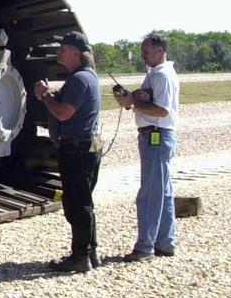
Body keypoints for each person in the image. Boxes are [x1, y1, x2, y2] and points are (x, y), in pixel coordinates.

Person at [33, 31, 102, 273]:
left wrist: (44, 96)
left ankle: (80, 255)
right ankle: (90, 252)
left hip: (76, 148)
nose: (59, 51)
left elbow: (63, 113)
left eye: (63, 48)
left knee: (76, 203)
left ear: (76, 53)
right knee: (83, 201)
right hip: (82, 146)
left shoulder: (80, 79)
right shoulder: (84, 77)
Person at [113, 33, 180, 261]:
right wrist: (134, 99)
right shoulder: (157, 74)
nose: (143, 55)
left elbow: (162, 111)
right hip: (158, 136)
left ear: (160, 50)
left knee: (151, 192)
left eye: (146, 51)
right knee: (163, 191)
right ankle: (165, 243)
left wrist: (132, 102)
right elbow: (151, 104)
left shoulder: (162, 76)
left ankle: (145, 247)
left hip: (156, 136)